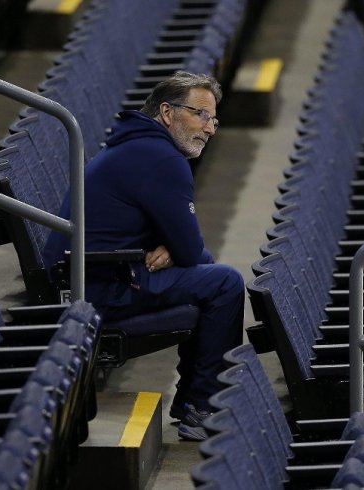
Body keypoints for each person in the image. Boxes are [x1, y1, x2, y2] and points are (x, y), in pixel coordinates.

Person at [42, 71, 244, 441]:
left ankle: (193, 403)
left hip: (88, 275)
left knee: (208, 270)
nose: (210, 128)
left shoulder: (138, 144)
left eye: (213, 119)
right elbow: (188, 247)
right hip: (97, 287)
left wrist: (172, 247)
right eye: (200, 115)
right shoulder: (162, 159)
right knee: (225, 283)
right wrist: (175, 247)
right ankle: (202, 406)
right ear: (167, 112)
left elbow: (182, 246)